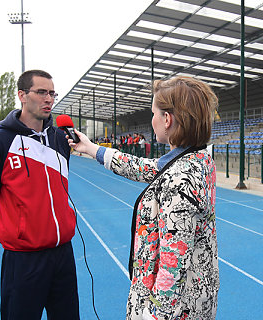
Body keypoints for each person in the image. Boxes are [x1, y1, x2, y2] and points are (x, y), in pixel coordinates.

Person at [68, 76, 220, 320]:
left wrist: (154, 315)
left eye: (154, 113)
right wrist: (92, 149)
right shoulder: (198, 160)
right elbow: (144, 167)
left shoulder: (179, 178)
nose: (152, 120)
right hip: (196, 300)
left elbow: (173, 261)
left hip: (171, 310)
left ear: (167, 119)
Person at [0, 70, 79, 320]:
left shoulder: (60, 139)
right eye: (41, 92)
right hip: (23, 260)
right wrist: (16, 234)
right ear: (22, 95)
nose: (49, 99)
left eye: (52, 93)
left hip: (63, 254)